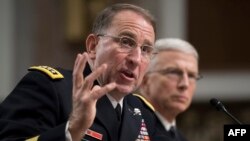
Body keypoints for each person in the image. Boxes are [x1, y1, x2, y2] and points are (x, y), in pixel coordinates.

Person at [0, 3, 158, 141]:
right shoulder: (48, 87)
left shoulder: (143, 111)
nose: (136, 59)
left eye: (145, 49)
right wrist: (72, 131)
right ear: (93, 46)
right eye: (125, 42)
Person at [138, 38, 201, 141]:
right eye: (174, 72)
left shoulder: (181, 138)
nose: (184, 84)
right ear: (145, 80)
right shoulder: (129, 127)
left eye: (191, 75)